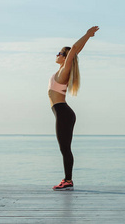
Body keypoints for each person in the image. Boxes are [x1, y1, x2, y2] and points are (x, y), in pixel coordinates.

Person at [48, 26, 99, 191]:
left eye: (60, 53)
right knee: (64, 148)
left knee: (65, 148)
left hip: (63, 113)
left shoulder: (64, 71)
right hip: (62, 113)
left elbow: (74, 50)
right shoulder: (60, 71)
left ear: (65, 58)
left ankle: (68, 180)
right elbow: (75, 53)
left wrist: (87, 35)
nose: (57, 55)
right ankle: (67, 179)